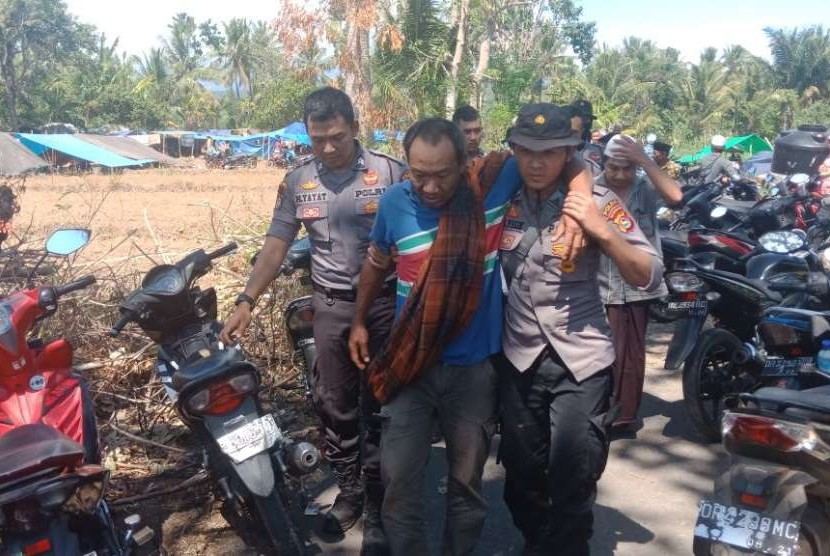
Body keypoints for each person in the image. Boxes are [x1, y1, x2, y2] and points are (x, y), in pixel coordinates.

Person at [347, 117, 592, 555]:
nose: (430, 186)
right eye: (419, 173)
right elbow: (376, 264)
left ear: (465, 163)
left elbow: (566, 160)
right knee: (398, 479)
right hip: (411, 365)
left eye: (442, 174)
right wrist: (360, 321)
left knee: (467, 483)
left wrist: (581, 201)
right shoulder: (393, 204)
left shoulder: (489, 190)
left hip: (475, 371)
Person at [219, 86, 407, 552]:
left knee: (382, 405)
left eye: (336, 137)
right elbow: (277, 242)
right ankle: (352, 490)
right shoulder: (297, 180)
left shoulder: (390, 173)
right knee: (333, 403)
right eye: (317, 138)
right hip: (330, 306)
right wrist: (246, 298)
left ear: (355, 128)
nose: (326, 148)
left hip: (385, 307)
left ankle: (383, 502)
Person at [496, 103, 664, 555]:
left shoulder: (599, 201)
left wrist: (600, 230)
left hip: (582, 361)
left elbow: (648, 273)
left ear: (568, 152)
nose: (536, 162)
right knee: (519, 477)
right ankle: (537, 541)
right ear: (512, 148)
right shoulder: (501, 196)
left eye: (549, 152)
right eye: (526, 150)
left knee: (573, 476)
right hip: (518, 357)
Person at [597, 134, 681, 434]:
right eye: (614, 167)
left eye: (627, 168)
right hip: (601, 286)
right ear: (603, 164)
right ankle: (599, 412)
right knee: (604, 353)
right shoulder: (594, 189)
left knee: (632, 354)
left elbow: (676, 197)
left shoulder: (644, 188)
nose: (620, 175)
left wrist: (644, 159)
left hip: (637, 286)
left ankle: (625, 416)